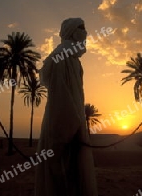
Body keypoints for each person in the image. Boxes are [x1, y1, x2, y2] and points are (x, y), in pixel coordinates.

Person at [34, 18, 98, 196]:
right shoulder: (61, 57)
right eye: (81, 29)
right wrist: (73, 128)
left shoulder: (73, 58)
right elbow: (61, 99)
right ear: (72, 31)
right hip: (64, 128)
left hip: (73, 125)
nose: (85, 33)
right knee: (60, 176)